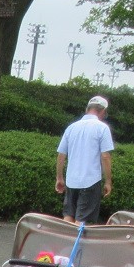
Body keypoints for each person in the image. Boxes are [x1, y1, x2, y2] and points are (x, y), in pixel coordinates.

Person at [55, 95, 115, 224]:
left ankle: (66, 243)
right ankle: (76, 244)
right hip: (90, 180)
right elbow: (105, 156)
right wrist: (108, 181)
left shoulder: (71, 127)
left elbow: (61, 155)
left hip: (71, 180)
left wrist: (59, 178)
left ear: (88, 108)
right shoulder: (102, 128)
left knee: (68, 217)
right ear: (103, 111)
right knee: (82, 221)